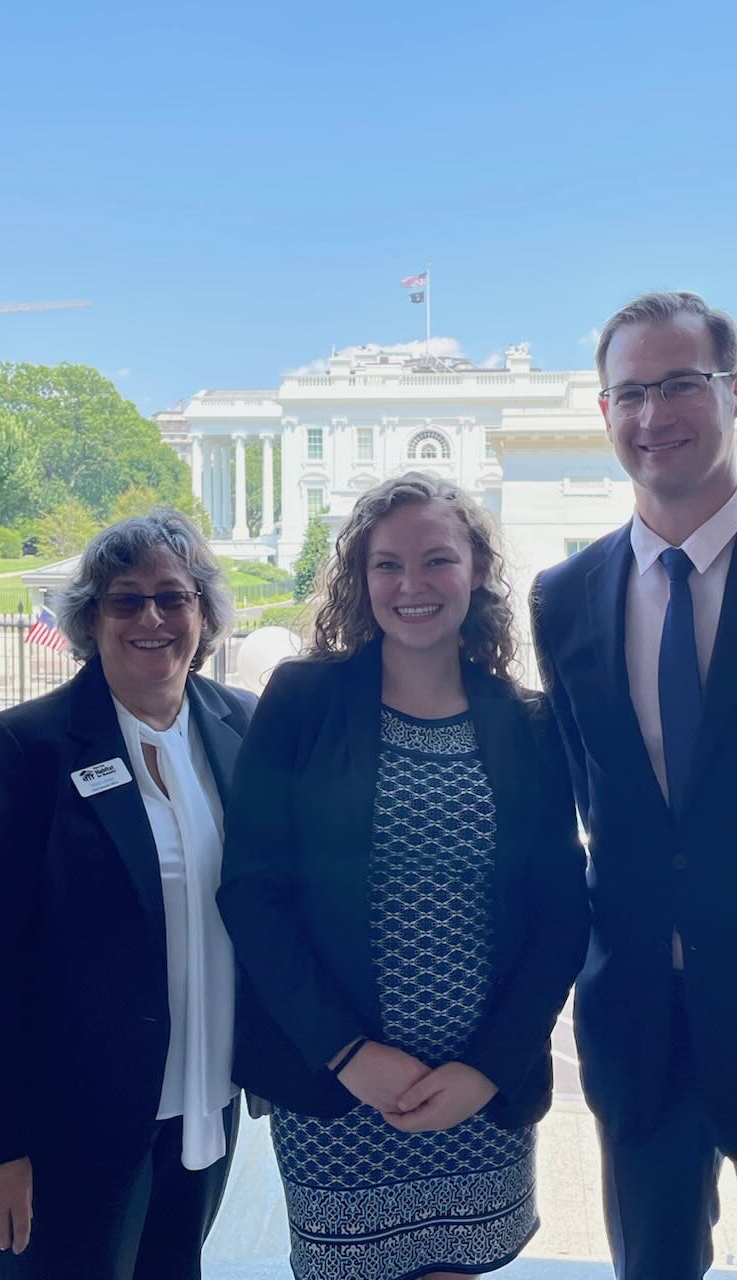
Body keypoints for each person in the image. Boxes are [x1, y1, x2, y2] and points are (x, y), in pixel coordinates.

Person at [531, 291, 737, 1280]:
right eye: (628, 391)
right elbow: (599, 804)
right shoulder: (564, 595)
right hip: (640, 1031)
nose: (651, 413)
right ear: (603, 412)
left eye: (680, 384)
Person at [218, 471, 589, 1280]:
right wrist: (347, 1052)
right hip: (338, 1090)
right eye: (387, 564)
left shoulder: (528, 723)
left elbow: (560, 915)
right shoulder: (304, 699)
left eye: (437, 560)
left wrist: (487, 1068)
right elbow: (252, 890)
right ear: (361, 577)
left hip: (479, 1094)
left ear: (479, 569)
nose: (411, 585)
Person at [0, 509, 256, 1280]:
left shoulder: (240, 724)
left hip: (203, 1107)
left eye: (172, 597)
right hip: (62, 1131)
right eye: (125, 599)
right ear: (90, 618)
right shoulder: (23, 748)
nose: (151, 618)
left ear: (203, 613)